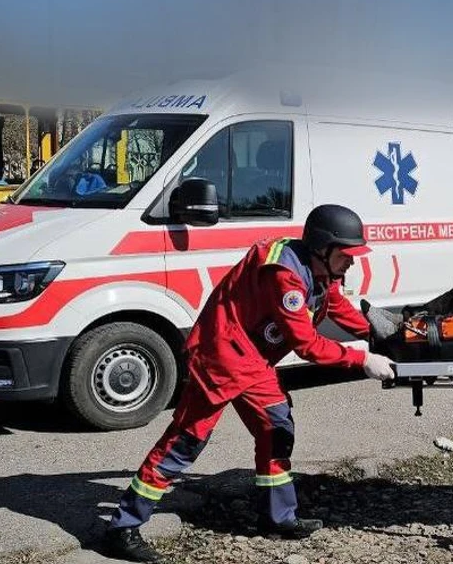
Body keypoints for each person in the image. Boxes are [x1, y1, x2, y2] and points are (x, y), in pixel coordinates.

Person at [102, 204, 397, 562]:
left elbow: (334, 305)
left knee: (277, 429)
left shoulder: (321, 271)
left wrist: (381, 332)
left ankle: (278, 517)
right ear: (323, 247)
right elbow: (306, 344)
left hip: (254, 362)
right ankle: (122, 528)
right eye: (347, 255)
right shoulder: (284, 275)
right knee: (184, 442)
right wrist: (362, 359)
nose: (351, 262)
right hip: (221, 359)